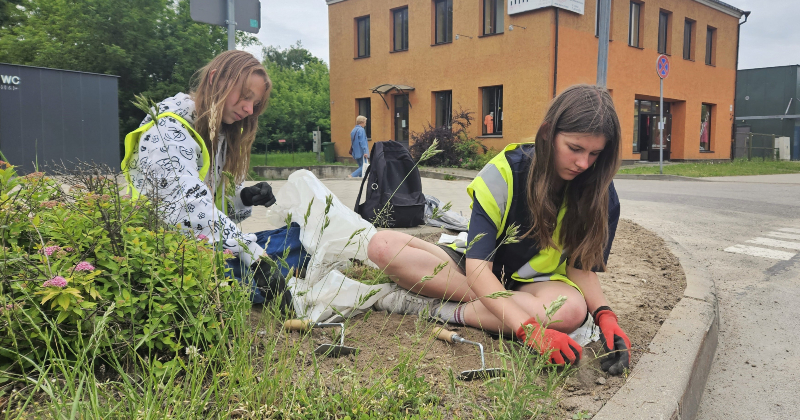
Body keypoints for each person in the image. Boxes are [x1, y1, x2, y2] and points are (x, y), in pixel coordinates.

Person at [366, 84, 630, 374]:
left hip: (537, 284)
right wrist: (527, 328)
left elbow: (580, 269)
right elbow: (478, 270)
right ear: (547, 134)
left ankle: (435, 308)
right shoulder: (502, 173)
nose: (583, 163)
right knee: (381, 246)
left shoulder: (600, 191)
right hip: (475, 271)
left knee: (572, 311)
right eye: (575, 148)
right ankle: (490, 307)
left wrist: (605, 315)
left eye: (594, 154)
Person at [121, 50, 291, 309]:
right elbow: (189, 209)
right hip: (170, 258)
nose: (248, 109)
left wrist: (244, 197)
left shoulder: (218, 133)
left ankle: (265, 275)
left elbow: (213, 206)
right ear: (215, 79)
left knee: (301, 235)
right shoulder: (167, 130)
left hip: (205, 250)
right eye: (245, 97)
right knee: (291, 250)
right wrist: (257, 259)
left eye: (254, 104)